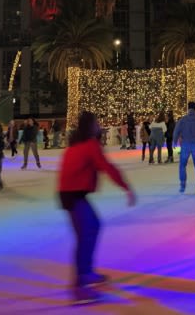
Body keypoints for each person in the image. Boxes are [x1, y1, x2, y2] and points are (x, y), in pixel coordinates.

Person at [58, 110, 136, 305]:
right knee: (85, 236)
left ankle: (87, 273)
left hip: (72, 194)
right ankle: (79, 287)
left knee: (92, 227)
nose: (99, 125)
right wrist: (126, 187)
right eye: (96, 123)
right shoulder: (90, 144)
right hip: (72, 195)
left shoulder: (76, 144)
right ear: (90, 126)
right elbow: (107, 167)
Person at [173, 102, 195, 193]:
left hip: (185, 144)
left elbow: (176, 130)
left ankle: (182, 184)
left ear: (188, 109)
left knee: (182, 165)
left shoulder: (183, 120)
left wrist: (175, 141)